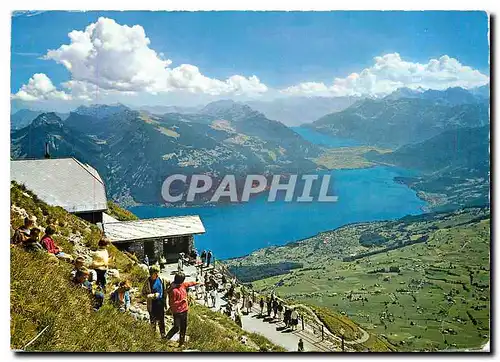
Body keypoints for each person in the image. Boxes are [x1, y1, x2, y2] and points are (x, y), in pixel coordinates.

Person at [165, 272, 199, 346]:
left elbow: (189, 284)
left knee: (184, 327)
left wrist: (196, 283)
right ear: (180, 280)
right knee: (176, 327)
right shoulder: (173, 291)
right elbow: (172, 304)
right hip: (177, 312)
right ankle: (166, 339)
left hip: (184, 310)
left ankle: (181, 343)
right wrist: (182, 301)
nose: (184, 281)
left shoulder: (182, 285)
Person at [142, 265, 168, 337]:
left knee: (161, 320)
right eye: (155, 273)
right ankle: (152, 336)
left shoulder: (161, 279)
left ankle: (163, 335)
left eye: (158, 273)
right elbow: (143, 293)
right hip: (152, 304)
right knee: (153, 320)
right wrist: (151, 296)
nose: (157, 274)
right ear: (151, 273)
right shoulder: (147, 282)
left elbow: (170, 284)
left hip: (161, 303)